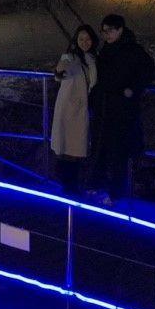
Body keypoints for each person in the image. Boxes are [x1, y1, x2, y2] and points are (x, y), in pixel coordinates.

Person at [90, 14, 155, 205]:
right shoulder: (107, 50)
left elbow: (148, 71)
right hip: (105, 106)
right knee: (102, 146)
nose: (106, 35)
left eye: (110, 30)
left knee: (119, 151)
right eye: (104, 31)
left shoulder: (133, 51)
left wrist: (133, 89)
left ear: (120, 30)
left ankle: (115, 192)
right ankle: (99, 184)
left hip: (122, 109)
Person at [51, 25, 99, 196]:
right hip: (69, 110)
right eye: (81, 39)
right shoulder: (71, 57)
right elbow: (61, 70)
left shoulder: (92, 58)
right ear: (75, 41)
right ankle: (68, 186)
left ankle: (72, 185)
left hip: (82, 109)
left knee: (76, 149)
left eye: (87, 39)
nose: (84, 42)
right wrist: (59, 71)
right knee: (68, 149)